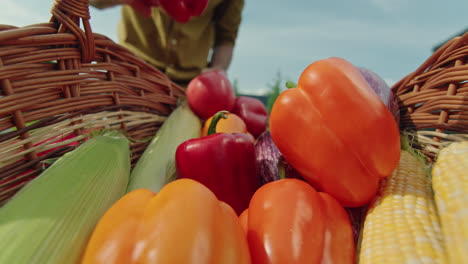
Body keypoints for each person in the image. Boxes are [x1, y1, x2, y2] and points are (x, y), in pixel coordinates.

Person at [89, 0, 245, 86]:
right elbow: (94, 2)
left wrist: (217, 70)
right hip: (130, 72)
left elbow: (226, 37)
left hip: (190, 85)